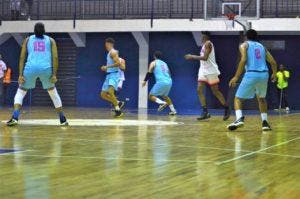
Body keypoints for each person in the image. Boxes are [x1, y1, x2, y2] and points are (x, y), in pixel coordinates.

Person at [7, 22, 68, 126]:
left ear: (34, 31)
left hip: (30, 68)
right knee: (53, 93)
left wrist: (20, 75)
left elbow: (22, 57)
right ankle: (62, 119)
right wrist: (54, 74)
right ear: (44, 31)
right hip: (46, 69)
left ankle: (15, 117)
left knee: (21, 92)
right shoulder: (51, 40)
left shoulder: (27, 40)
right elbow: (55, 58)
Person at [227, 29, 277, 131]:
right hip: (264, 75)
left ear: (246, 37)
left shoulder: (244, 45)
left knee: (238, 99)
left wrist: (236, 77)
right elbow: (273, 62)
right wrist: (274, 74)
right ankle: (265, 123)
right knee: (261, 99)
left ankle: (239, 119)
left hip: (252, 73)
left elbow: (244, 60)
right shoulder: (262, 47)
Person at [185, 31, 230, 121]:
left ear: (205, 36)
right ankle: (205, 112)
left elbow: (205, 58)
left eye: (202, 35)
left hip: (211, 71)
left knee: (215, 92)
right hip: (203, 70)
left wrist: (192, 57)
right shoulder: (204, 45)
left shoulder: (208, 44)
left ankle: (226, 108)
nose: (201, 37)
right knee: (199, 90)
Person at [142, 51, 177, 115]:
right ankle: (173, 110)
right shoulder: (165, 63)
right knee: (165, 96)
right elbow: (169, 73)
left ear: (154, 56)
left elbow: (149, 72)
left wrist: (144, 81)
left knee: (150, 96)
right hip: (169, 81)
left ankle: (162, 103)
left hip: (161, 81)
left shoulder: (153, 62)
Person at [100, 38, 125, 117]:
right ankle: (118, 103)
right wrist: (106, 69)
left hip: (114, 75)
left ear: (108, 44)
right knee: (103, 94)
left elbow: (118, 63)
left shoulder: (113, 52)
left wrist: (107, 67)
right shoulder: (109, 53)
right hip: (109, 75)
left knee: (110, 92)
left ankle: (118, 111)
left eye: (106, 44)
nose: (105, 45)